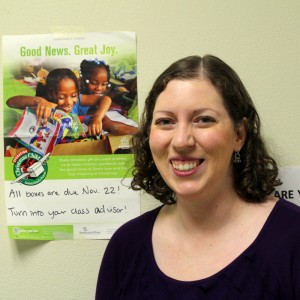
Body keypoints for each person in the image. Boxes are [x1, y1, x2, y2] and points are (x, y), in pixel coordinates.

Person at [95, 55, 300, 299]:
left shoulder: (293, 239)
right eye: (166, 121)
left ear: (239, 135)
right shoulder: (126, 246)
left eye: (204, 120)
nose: (181, 141)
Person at [7, 68, 111, 137]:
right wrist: (38, 101)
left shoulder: (78, 100)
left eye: (73, 95)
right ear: (50, 93)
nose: (69, 102)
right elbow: (10, 102)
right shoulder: (45, 105)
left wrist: (98, 117)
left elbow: (106, 99)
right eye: (61, 97)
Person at [79, 58, 138, 135]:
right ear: (83, 80)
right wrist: (141, 132)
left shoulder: (93, 99)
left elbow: (106, 99)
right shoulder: (81, 100)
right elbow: (109, 125)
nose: (99, 88)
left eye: (104, 84)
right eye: (93, 83)